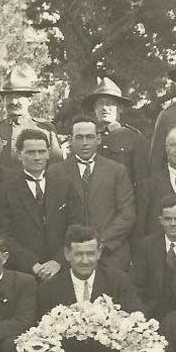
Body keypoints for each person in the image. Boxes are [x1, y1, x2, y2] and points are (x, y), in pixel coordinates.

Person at [0, 128, 83, 278]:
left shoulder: (65, 186)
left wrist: (58, 261)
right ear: (19, 154)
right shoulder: (4, 191)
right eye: (30, 152)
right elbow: (4, 235)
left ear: (48, 153)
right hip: (22, 273)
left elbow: (76, 226)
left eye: (41, 151)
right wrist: (31, 264)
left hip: (61, 271)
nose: (37, 157)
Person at [59, 116, 136, 272]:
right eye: (79, 138)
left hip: (111, 255)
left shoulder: (117, 170)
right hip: (70, 258)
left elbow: (127, 214)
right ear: (71, 140)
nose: (85, 142)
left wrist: (100, 244)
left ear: (99, 139)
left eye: (90, 137)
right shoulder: (56, 172)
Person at [36, 225, 143, 317]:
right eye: (78, 254)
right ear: (67, 254)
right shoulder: (50, 289)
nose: (85, 261)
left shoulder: (118, 282)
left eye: (90, 254)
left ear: (99, 252)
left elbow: (135, 318)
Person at [83, 77, 149, 187]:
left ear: (120, 108)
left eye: (109, 103)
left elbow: (143, 181)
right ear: (94, 109)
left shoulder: (133, 138)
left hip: (124, 202)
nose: (104, 107)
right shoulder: (86, 137)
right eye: (100, 103)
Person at [0, 65, 63, 166]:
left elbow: (57, 168)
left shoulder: (45, 129)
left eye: (18, 96)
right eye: (8, 97)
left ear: (29, 100)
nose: (13, 101)